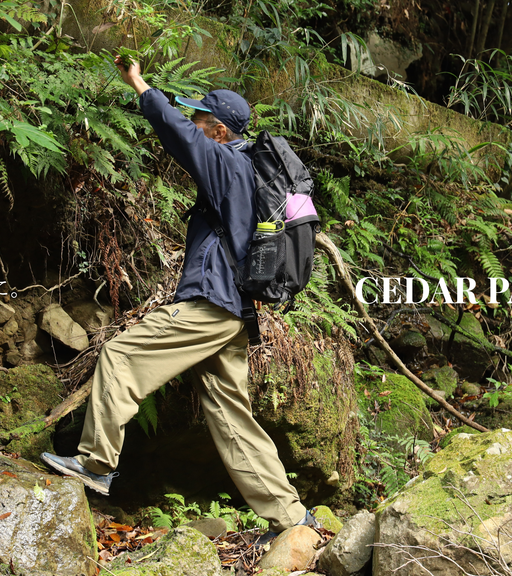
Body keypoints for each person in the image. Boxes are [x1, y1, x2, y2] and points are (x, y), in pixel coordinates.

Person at [41, 56, 317, 537]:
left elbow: (180, 135)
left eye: (200, 118)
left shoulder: (227, 163)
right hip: (233, 312)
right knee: (231, 416)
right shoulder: (244, 173)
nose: (193, 122)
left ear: (218, 131)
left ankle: (96, 464)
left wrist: (139, 84)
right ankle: (292, 518)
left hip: (212, 305)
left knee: (122, 356)